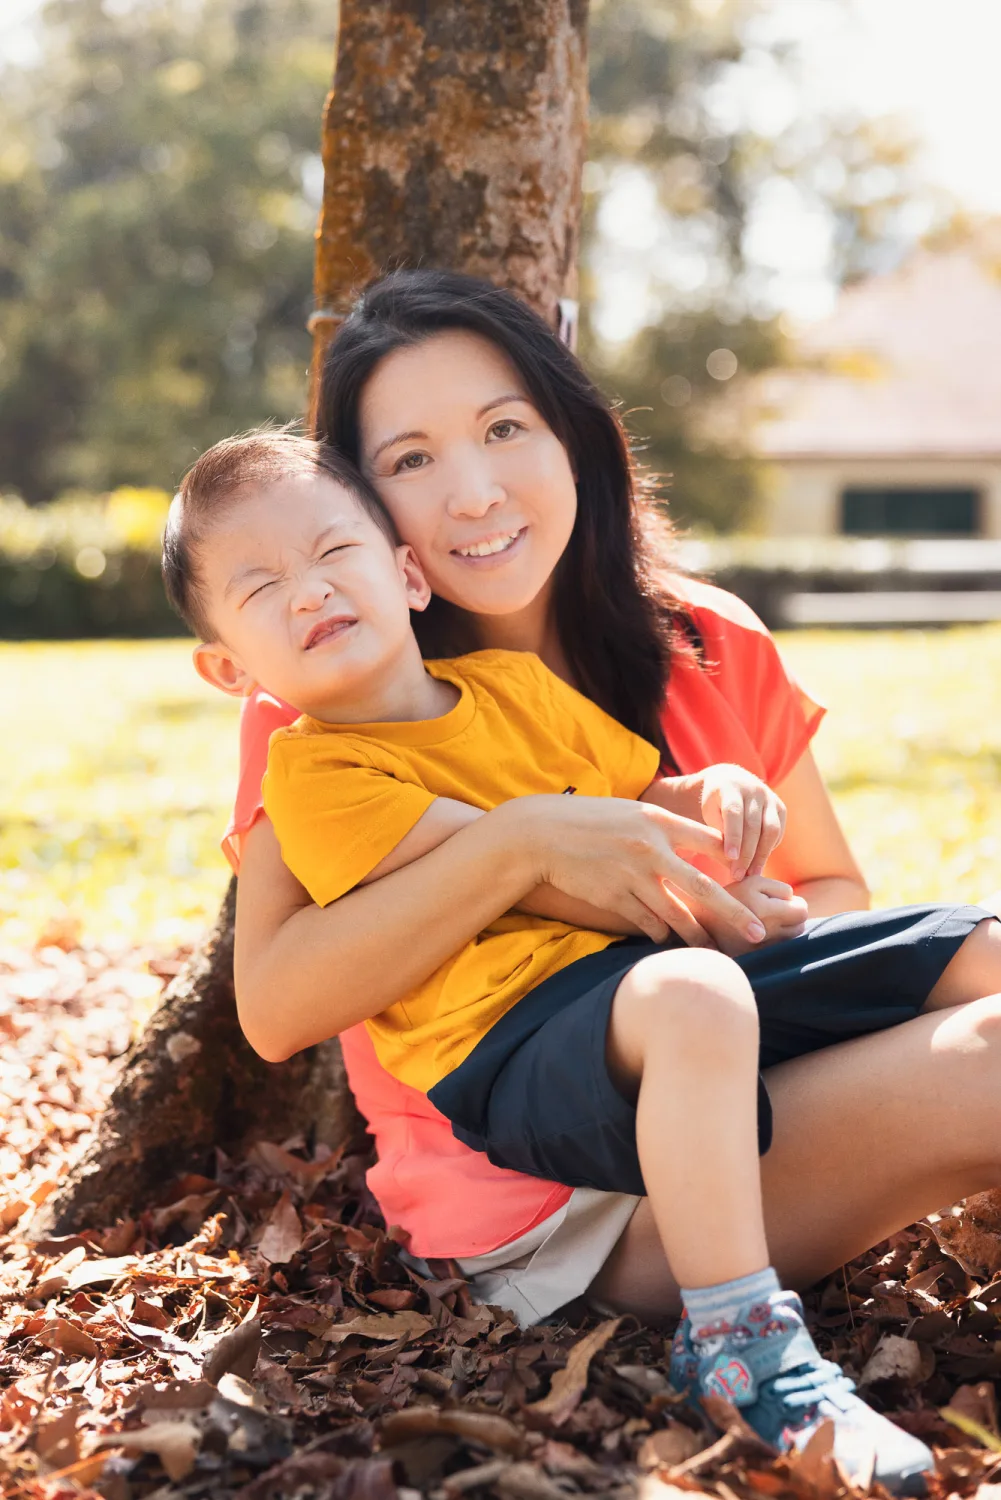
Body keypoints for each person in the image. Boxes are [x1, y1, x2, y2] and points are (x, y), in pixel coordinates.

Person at [223, 268, 1001, 1412]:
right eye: (410, 459)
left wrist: (746, 917)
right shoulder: (326, 705)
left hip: (745, 1069)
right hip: (561, 1202)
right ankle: (741, 1345)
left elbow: (827, 880)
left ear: (573, 435)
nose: (475, 492)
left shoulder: (706, 640)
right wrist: (518, 845)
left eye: (503, 429)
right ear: (366, 508)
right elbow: (279, 1006)